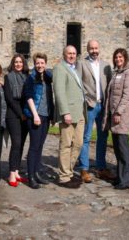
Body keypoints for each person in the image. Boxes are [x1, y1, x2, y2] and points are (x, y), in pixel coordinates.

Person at [76, 40, 114, 183]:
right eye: (91, 48)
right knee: (85, 137)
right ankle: (84, 169)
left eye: (96, 48)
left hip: (103, 106)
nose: (94, 50)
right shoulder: (81, 64)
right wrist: (83, 100)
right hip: (89, 105)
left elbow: (109, 85)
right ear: (87, 49)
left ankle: (101, 167)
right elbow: (78, 84)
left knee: (102, 137)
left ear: (99, 49)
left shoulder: (106, 66)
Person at [102, 48, 129, 189]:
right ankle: (121, 176)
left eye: (121, 57)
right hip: (113, 116)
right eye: (116, 57)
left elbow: (128, 95)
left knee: (123, 148)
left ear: (125, 58)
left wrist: (118, 112)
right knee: (117, 148)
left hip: (121, 116)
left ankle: (127, 180)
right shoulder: (116, 73)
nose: (118, 59)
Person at [53, 45, 86, 189]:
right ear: (64, 54)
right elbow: (59, 92)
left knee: (78, 144)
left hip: (79, 113)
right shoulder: (60, 68)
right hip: (68, 113)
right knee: (66, 145)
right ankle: (64, 177)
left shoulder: (75, 69)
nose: (72, 56)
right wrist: (65, 112)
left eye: (74, 53)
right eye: (69, 53)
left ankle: (69, 171)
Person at [23, 52, 55, 189]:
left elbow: (50, 96)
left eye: (42, 63)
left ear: (45, 64)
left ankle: (36, 173)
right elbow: (29, 97)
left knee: (40, 146)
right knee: (34, 147)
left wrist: (52, 115)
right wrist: (35, 115)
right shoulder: (31, 78)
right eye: (37, 63)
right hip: (35, 116)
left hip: (46, 115)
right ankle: (30, 177)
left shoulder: (47, 77)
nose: (40, 65)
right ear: (34, 64)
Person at [3, 54, 30, 187]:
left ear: (23, 63)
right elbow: (9, 98)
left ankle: (17, 171)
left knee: (21, 144)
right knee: (16, 144)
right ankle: (11, 173)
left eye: (20, 62)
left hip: (25, 114)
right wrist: (20, 114)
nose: (18, 64)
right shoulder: (8, 77)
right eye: (16, 62)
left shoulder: (27, 77)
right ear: (12, 64)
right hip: (13, 114)